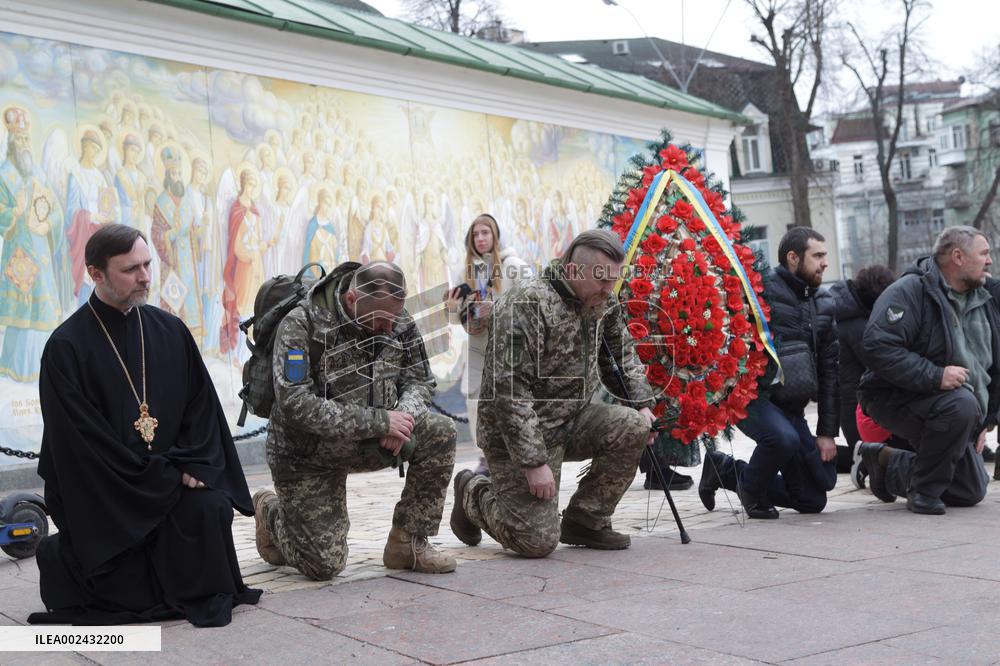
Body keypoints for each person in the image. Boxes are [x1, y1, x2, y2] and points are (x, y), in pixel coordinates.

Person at [29, 224, 260, 627]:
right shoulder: (66, 348)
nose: (145, 277)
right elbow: (78, 442)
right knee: (116, 532)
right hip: (107, 487)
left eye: (147, 265)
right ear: (96, 274)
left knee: (209, 507)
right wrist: (161, 476)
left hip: (171, 474)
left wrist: (196, 463)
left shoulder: (170, 330)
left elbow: (201, 410)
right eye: (130, 269)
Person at [450, 229, 656, 557]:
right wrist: (533, 462)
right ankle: (472, 492)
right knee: (535, 541)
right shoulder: (525, 304)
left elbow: (620, 352)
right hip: (514, 435)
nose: (609, 289)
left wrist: (641, 404)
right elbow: (509, 390)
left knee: (634, 426)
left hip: (572, 419)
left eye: (614, 280)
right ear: (573, 270)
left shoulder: (602, 299)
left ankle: (586, 520)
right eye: (602, 279)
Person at [253, 261, 458, 579]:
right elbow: (295, 402)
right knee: (323, 565)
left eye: (394, 318)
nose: (389, 328)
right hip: (308, 454)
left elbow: (420, 381)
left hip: (372, 442)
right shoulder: (302, 324)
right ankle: (270, 512)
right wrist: (379, 422)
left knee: (441, 432)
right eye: (381, 320)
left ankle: (407, 543)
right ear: (352, 299)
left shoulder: (395, 317)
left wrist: (402, 419)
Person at [700, 227, 839, 519]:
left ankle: (725, 471)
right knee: (783, 438)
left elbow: (830, 372)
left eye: (825, 256)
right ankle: (751, 493)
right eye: (817, 256)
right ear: (793, 257)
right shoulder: (758, 289)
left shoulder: (824, 303)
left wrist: (827, 432)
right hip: (752, 398)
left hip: (792, 407)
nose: (825, 263)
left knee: (813, 500)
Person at [858, 226, 995, 514]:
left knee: (970, 489)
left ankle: (885, 462)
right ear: (958, 256)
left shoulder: (987, 298)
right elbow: (877, 347)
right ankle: (922, 492)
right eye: (984, 253)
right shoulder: (910, 291)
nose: (990, 261)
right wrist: (936, 375)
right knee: (961, 405)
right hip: (895, 397)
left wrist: (986, 419)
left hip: (956, 406)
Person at [443, 213, 529, 476]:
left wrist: (499, 308)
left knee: (511, 400)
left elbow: (534, 301)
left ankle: (521, 455)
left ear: (495, 235)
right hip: (478, 347)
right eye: (475, 235)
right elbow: (457, 319)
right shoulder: (467, 271)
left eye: (485, 233)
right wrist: (452, 308)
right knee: (475, 401)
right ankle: (485, 457)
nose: (480, 239)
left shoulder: (513, 265)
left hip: (510, 346)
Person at [828, 265, 897, 486]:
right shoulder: (857, 324)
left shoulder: (846, 312)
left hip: (847, 398)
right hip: (857, 402)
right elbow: (879, 361)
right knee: (870, 451)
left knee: (864, 448)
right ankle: (860, 461)